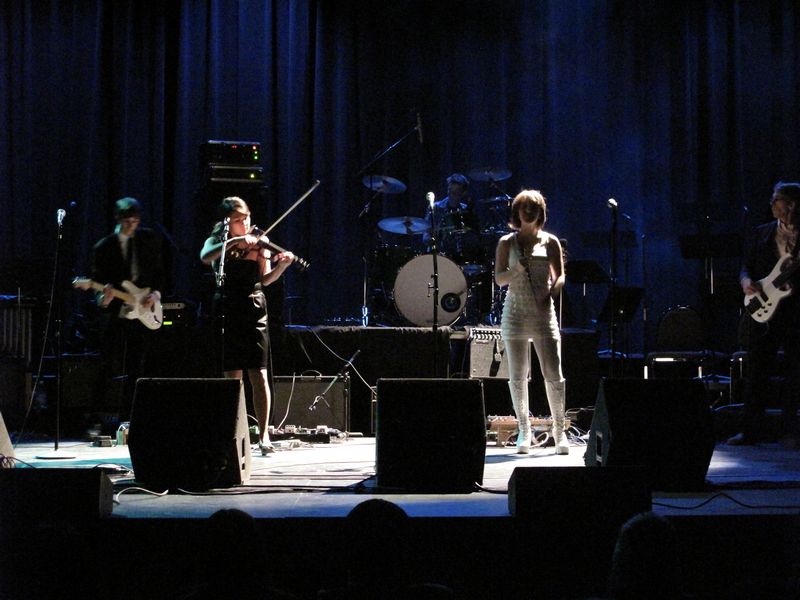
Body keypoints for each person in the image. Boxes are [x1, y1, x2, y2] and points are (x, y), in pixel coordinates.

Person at [200, 197, 294, 455]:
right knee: (233, 376)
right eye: (238, 220)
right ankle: (233, 432)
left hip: (253, 307)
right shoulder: (217, 241)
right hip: (228, 307)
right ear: (226, 222)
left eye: (246, 218)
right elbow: (205, 257)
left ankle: (264, 435)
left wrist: (282, 266)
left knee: (259, 373)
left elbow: (266, 279)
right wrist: (235, 241)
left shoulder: (260, 242)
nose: (245, 224)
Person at [494, 189, 568, 454]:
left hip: (543, 311)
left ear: (541, 212)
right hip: (515, 311)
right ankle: (524, 431)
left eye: (534, 207)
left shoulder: (550, 241)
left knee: (553, 373)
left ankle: (559, 432)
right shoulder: (507, 242)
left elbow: (559, 276)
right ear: (517, 211)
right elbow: (499, 279)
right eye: (524, 207)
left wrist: (553, 291)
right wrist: (517, 268)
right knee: (518, 375)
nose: (529, 211)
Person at [728, 181, 800, 448]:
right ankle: (749, 430)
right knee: (758, 370)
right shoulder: (761, 232)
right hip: (765, 307)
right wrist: (746, 281)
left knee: (795, 371)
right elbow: (745, 266)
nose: (772, 204)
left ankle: (790, 431)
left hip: (795, 310)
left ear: (792, 204)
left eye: (778, 199)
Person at [90, 197, 164, 424]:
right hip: (116, 313)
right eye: (127, 221)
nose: (132, 225)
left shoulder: (148, 239)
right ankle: (97, 417)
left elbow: (159, 272)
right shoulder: (104, 247)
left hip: (143, 310)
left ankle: (130, 417)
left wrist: (155, 294)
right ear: (118, 219)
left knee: (137, 366)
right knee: (107, 364)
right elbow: (98, 284)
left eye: (135, 221)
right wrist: (104, 298)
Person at [424, 173, 483, 264]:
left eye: (455, 193)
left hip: (460, 257)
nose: (451, 195)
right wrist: (434, 238)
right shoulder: (435, 208)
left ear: (463, 193)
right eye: (449, 191)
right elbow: (426, 236)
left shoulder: (466, 211)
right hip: (439, 256)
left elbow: (473, 237)